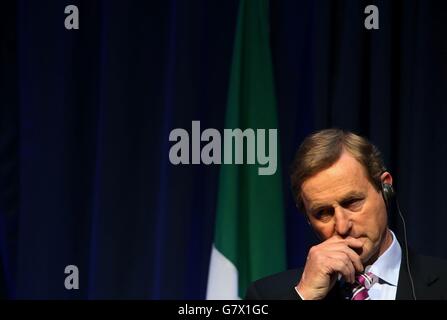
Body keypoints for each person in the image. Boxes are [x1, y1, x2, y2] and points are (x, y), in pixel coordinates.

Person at [245, 129, 447, 300]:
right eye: (323, 213)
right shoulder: (264, 295)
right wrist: (305, 295)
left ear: (385, 188)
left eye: (352, 202)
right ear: (307, 219)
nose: (342, 227)